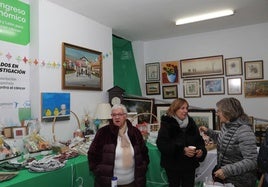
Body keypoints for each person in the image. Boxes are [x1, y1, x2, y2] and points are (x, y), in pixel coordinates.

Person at [199, 97, 258, 187]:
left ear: (228, 111)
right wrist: (209, 132)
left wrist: (226, 170)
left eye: (219, 111)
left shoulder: (244, 131)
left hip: (240, 181)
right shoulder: (226, 125)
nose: (217, 114)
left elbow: (252, 161)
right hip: (226, 179)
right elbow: (224, 141)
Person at [87, 104, 149, 187]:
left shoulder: (135, 132)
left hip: (133, 182)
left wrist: (143, 168)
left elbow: (144, 154)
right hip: (108, 183)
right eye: (114, 115)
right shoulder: (103, 132)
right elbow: (92, 155)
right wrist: (99, 172)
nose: (116, 117)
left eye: (120, 114)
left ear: (125, 116)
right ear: (111, 117)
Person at [156, 98, 207, 187]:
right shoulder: (167, 123)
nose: (185, 111)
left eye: (187, 108)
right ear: (175, 109)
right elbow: (162, 144)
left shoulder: (191, 123)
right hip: (173, 165)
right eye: (182, 108)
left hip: (189, 165)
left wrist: (201, 151)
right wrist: (182, 150)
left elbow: (199, 141)